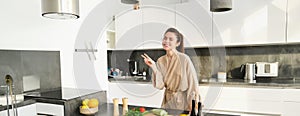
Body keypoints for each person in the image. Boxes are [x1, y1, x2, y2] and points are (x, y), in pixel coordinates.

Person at [141, 28, 200, 111]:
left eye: (171, 39)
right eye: (165, 38)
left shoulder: (184, 59)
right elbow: (160, 85)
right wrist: (154, 67)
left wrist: (193, 106)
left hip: (183, 102)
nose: (166, 41)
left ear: (177, 43)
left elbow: (193, 85)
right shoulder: (160, 61)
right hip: (167, 102)